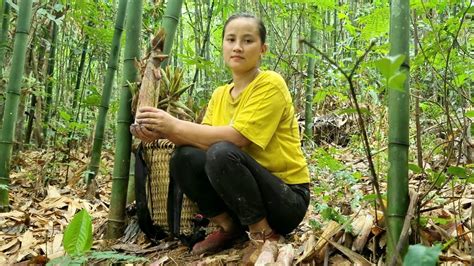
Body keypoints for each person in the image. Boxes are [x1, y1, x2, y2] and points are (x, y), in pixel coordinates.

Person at [131, 13, 310, 255]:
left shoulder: (270, 83)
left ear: (263, 49)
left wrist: (173, 125)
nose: (237, 47)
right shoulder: (220, 94)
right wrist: (160, 132)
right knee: (185, 156)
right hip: (240, 199)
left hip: (285, 199)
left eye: (248, 41)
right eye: (231, 40)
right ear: (223, 46)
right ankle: (229, 226)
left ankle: (263, 232)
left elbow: (238, 138)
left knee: (222, 151)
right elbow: (199, 141)